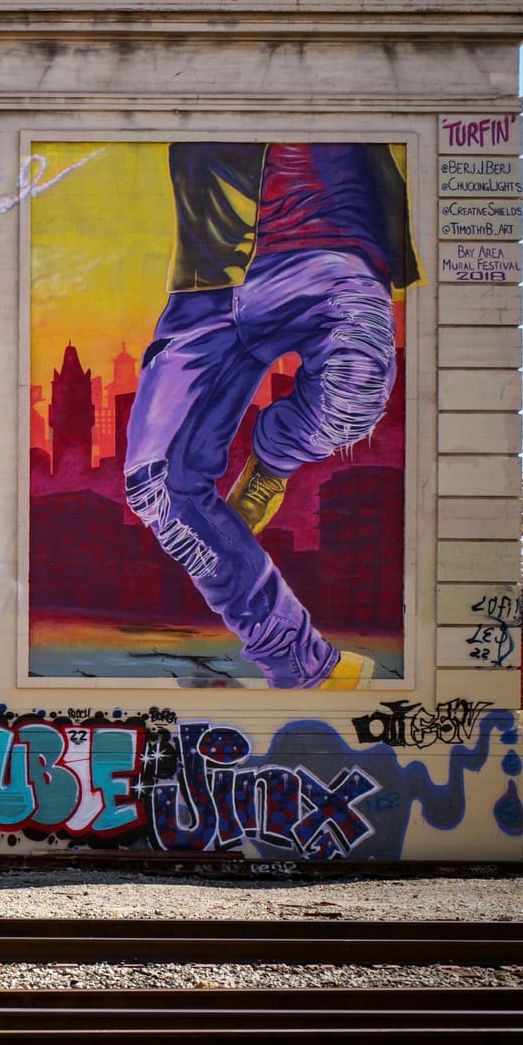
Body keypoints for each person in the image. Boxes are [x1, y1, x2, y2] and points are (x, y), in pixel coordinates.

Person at [122, 143, 419, 689]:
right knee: (155, 485)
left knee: (355, 391)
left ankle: (273, 462)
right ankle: (299, 662)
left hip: (332, 252)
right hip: (206, 285)